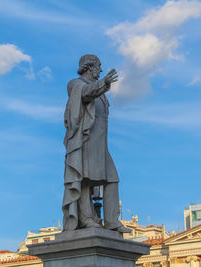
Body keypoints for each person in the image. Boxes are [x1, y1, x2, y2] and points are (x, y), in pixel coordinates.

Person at [62, 54, 131, 233]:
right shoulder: (75, 84)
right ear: (89, 67)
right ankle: (86, 219)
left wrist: (103, 85)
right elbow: (85, 93)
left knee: (112, 179)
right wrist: (104, 83)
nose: (100, 70)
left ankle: (111, 221)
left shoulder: (99, 91)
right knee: (84, 179)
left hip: (101, 145)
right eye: (98, 66)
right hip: (84, 142)